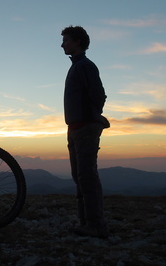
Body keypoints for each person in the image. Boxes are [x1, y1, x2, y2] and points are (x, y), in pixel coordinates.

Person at [61, 25, 110, 238]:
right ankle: (85, 223)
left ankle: (96, 225)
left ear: (77, 42)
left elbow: (99, 95)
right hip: (74, 128)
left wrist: (92, 117)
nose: (62, 44)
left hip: (85, 128)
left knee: (87, 175)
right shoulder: (77, 66)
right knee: (79, 176)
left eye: (66, 40)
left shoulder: (85, 66)